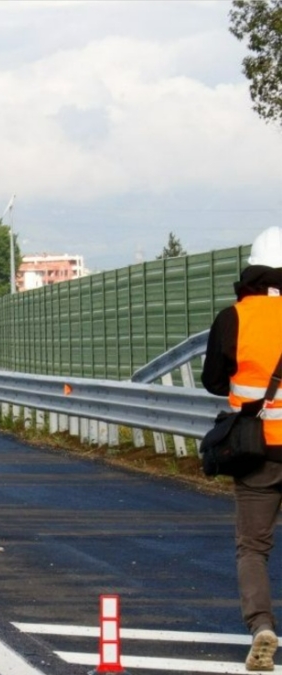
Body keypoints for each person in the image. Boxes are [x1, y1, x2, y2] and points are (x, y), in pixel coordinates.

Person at [201, 226, 282, 671]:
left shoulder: (235, 316)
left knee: (253, 547)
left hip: (257, 454)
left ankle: (262, 627)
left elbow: (214, 381)